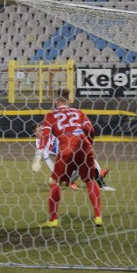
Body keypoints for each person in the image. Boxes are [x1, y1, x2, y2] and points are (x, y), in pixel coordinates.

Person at [31, 89, 105, 228]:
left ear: (56, 101)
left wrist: (37, 159)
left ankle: (53, 219)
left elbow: (45, 135)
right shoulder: (79, 113)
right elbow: (90, 131)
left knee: (54, 182)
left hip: (66, 149)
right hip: (85, 147)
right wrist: (88, 145)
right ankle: (98, 217)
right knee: (90, 181)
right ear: (69, 100)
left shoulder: (51, 115)